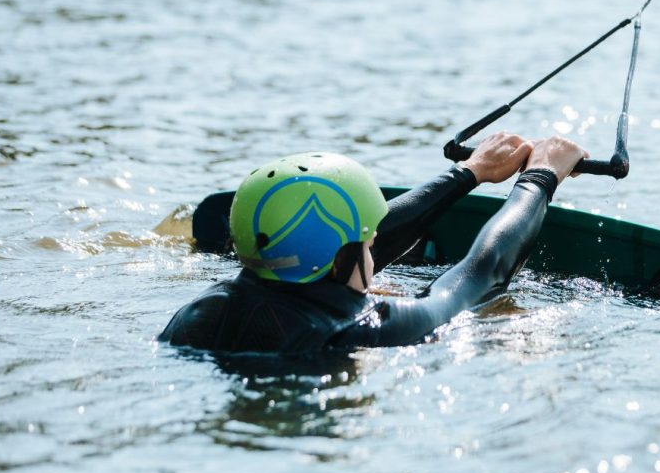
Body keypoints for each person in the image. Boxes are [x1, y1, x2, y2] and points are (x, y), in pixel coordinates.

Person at [159, 133, 589, 356]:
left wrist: (471, 172)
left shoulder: (200, 311)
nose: (375, 246)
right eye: (366, 242)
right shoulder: (362, 328)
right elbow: (486, 269)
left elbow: (336, 255)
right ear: (342, 257)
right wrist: (541, 176)